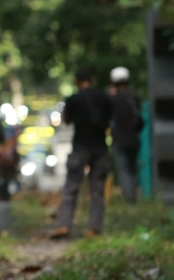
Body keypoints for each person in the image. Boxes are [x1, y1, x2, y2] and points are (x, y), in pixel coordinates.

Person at [51, 67, 112, 238]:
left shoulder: (73, 99)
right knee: (97, 190)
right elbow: (109, 120)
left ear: (77, 81)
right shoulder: (103, 97)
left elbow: (66, 120)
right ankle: (94, 227)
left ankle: (63, 225)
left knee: (71, 186)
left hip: (80, 147)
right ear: (92, 79)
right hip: (100, 147)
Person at [108, 66, 142, 203]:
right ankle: (133, 195)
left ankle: (129, 200)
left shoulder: (112, 98)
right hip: (134, 138)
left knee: (123, 169)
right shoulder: (134, 96)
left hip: (119, 139)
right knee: (133, 168)